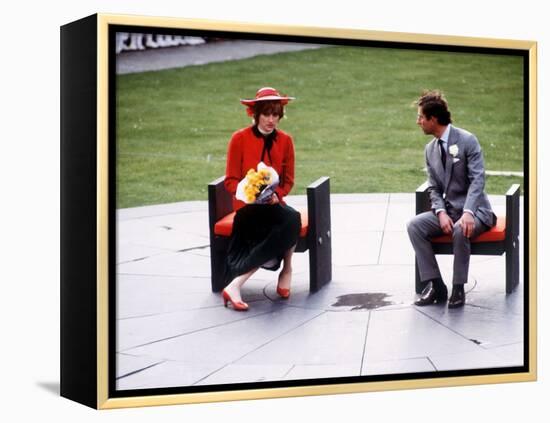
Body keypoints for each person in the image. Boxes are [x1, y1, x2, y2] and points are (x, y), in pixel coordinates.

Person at [407, 90, 496, 308]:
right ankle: (436, 285)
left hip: (477, 212)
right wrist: (440, 212)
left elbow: (478, 181)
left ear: (433, 119)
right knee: (414, 226)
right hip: (449, 212)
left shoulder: (467, 141)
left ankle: (458, 287)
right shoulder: (430, 150)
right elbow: (434, 188)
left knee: (460, 229)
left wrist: (468, 212)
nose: (418, 122)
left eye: (421, 117)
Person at [221, 87, 302, 311]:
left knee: (291, 218)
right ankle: (237, 284)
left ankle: (287, 269)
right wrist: (248, 193)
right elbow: (230, 180)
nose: (271, 120)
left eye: (276, 114)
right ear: (255, 114)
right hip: (248, 209)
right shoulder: (239, 139)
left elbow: (288, 180)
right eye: (266, 114)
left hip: (274, 205)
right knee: (285, 222)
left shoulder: (286, 140)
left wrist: (277, 195)